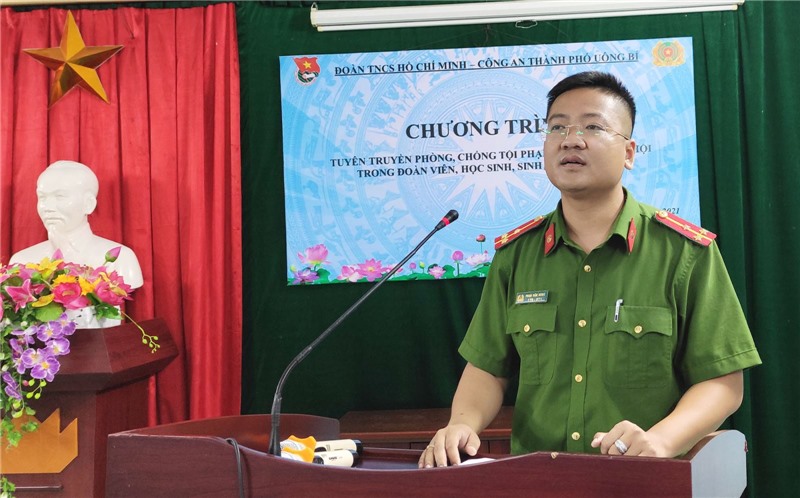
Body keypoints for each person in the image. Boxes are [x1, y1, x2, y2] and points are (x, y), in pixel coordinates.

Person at [419, 71, 761, 468]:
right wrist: (462, 424)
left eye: (593, 127)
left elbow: (723, 382)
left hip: (646, 479)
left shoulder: (684, 253)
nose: (571, 140)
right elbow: (488, 368)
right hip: (540, 481)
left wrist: (661, 440)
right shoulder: (517, 255)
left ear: (629, 152)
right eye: (557, 127)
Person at [9, 160, 143, 289]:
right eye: (42, 197)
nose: (47, 207)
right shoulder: (22, 261)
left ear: (89, 204)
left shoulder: (120, 259)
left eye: (60, 196)